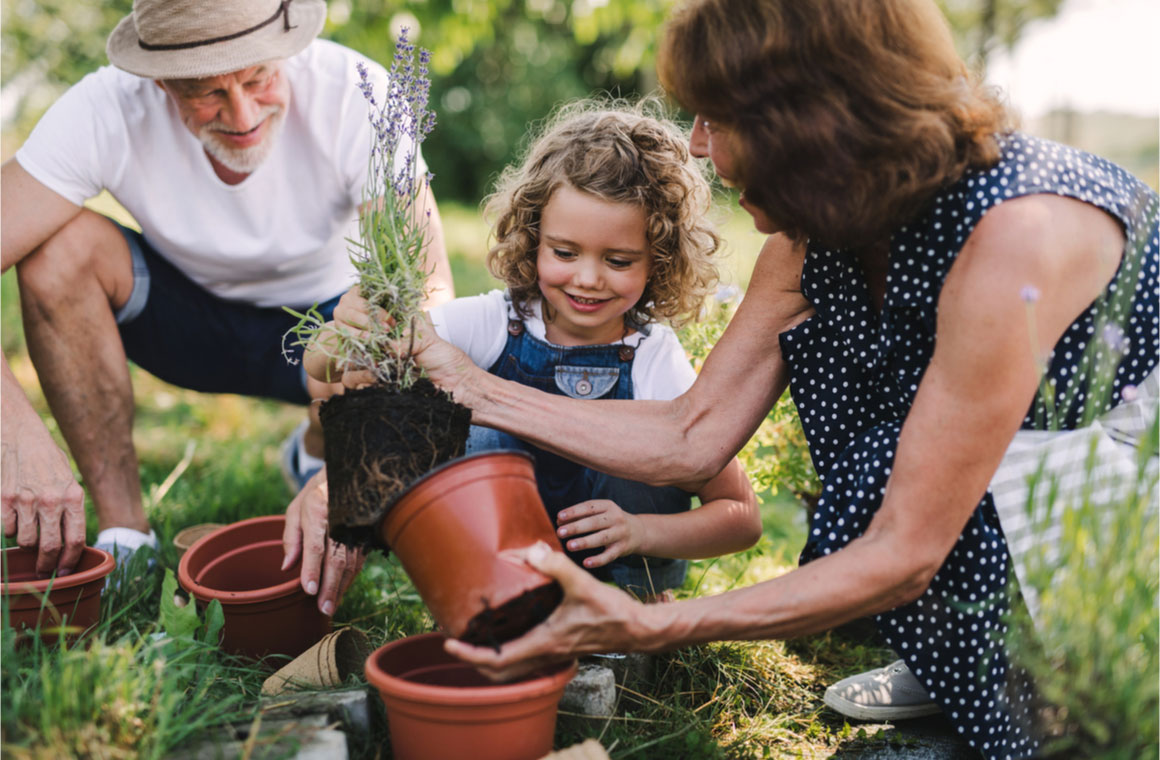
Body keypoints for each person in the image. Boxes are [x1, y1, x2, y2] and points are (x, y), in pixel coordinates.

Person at [383, 1, 1157, 757]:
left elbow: (904, 548)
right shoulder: (820, 226)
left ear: (811, 122)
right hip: (996, 474)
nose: (693, 145)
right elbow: (694, 434)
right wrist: (470, 387)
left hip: (1115, 497)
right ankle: (961, 669)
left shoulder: (1014, 238)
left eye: (715, 120)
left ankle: (1055, 679)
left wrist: (652, 624)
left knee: (1076, 735)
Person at [0, 0, 454, 589]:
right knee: (55, 253)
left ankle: (316, 449)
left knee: (380, 329)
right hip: (182, 320)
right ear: (158, 80)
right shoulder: (105, 105)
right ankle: (127, 537)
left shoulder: (356, 93)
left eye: (259, 77)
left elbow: (429, 295)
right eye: (204, 92)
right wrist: (15, 432)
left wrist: (348, 468)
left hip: (323, 330)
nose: (241, 114)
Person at [295, 103, 762, 601]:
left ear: (660, 260)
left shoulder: (654, 359)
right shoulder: (493, 323)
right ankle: (487, 600)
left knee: (651, 451)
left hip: (616, 588)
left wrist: (643, 531)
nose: (587, 278)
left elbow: (741, 517)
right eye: (564, 252)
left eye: (619, 260)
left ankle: (637, 607)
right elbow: (326, 368)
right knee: (475, 435)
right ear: (533, 238)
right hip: (499, 580)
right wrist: (344, 332)